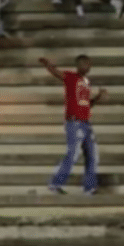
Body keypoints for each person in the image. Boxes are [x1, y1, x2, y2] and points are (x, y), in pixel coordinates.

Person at [40, 55, 107, 195]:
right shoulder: (71, 77)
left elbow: (87, 104)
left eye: (89, 64)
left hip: (85, 122)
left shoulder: (86, 82)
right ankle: (55, 183)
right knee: (73, 153)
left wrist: (98, 97)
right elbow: (56, 73)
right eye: (84, 63)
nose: (87, 66)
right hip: (75, 122)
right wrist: (48, 64)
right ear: (78, 65)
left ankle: (90, 187)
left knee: (92, 154)